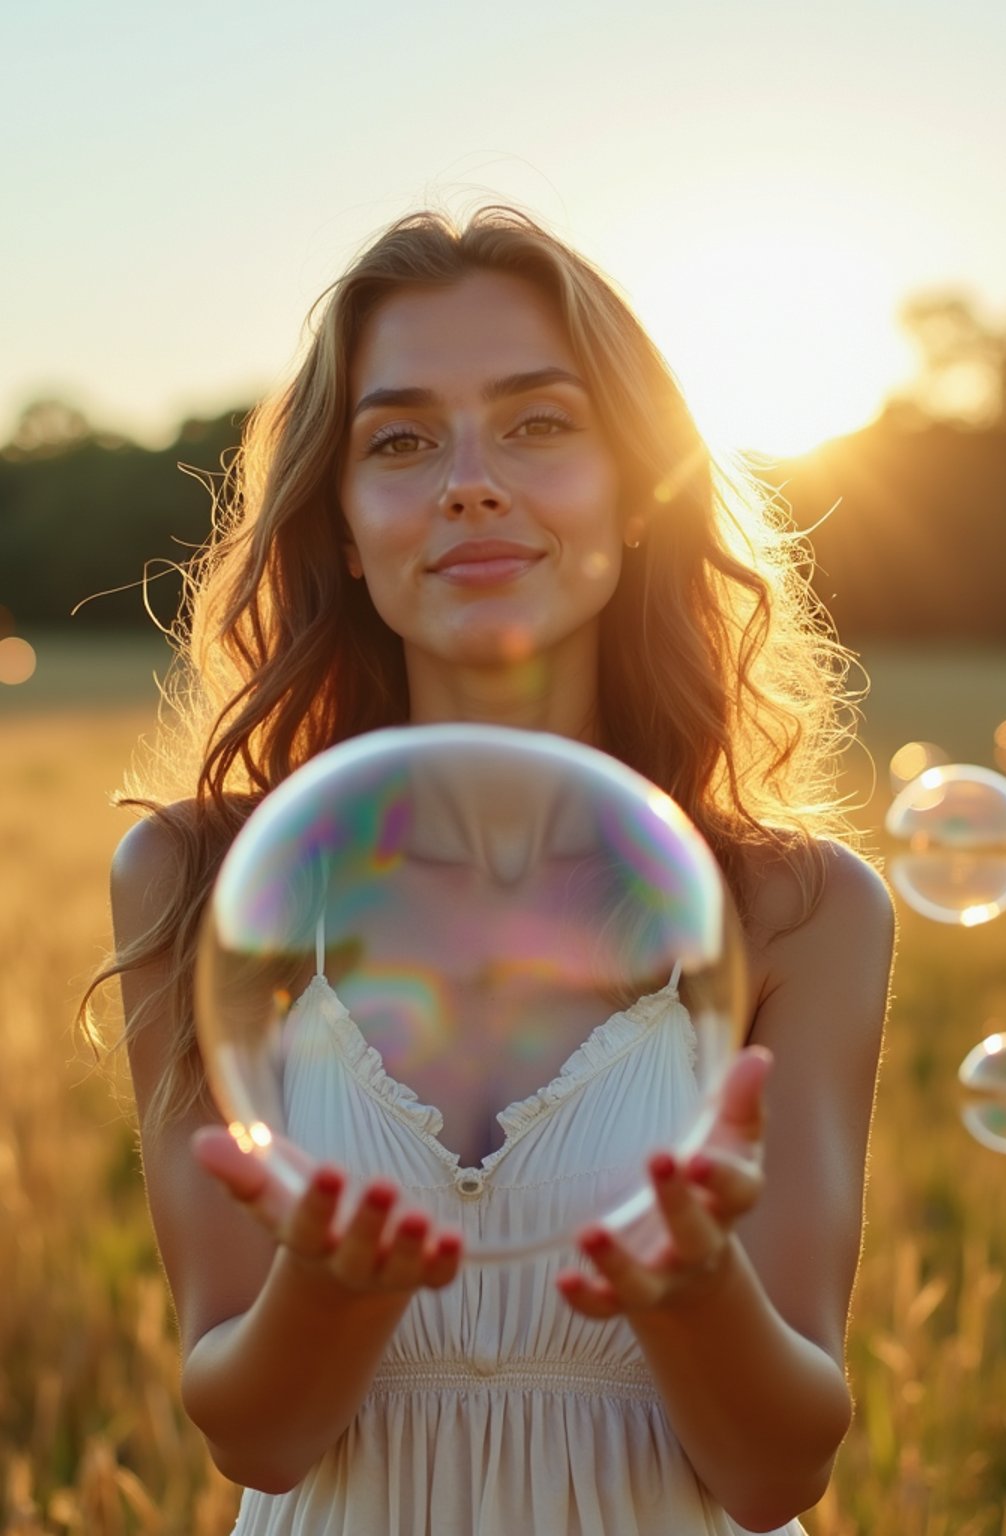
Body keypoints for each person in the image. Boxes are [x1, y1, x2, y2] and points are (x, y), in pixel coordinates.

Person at [95, 206, 894, 1535]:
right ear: (343, 525)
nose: (471, 480)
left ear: (639, 494)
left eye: (539, 423)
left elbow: (775, 1475)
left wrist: (690, 1290)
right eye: (401, 440)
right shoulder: (201, 877)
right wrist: (332, 1293)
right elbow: (261, 1438)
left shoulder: (796, 908)